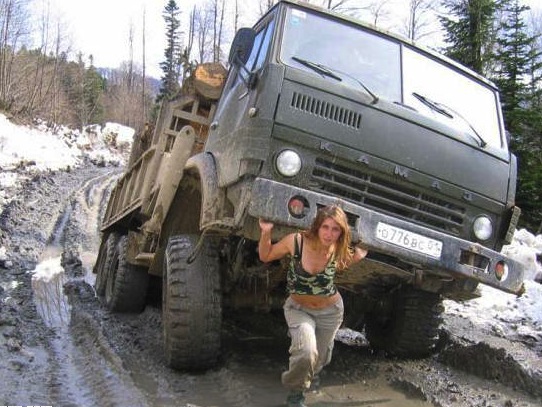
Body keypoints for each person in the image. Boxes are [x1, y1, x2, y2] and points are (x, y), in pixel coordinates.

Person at [258, 205, 368, 407]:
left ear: (341, 232)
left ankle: (310, 372)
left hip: (331, 312)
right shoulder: (297, 241)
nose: (329, 234)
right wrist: (266, 232)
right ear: (317, 226)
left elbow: (340, 264)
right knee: (307, 352)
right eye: (325, 227)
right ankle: (296, 393)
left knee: (320, 359)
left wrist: (357, 257)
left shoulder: (338, 248)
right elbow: (266, 256)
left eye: (335, 229)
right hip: (299, 309)